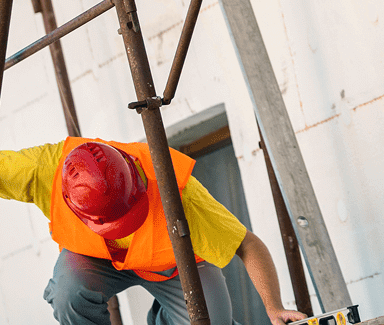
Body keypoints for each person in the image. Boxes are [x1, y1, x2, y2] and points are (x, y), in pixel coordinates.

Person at [0, 136, 307, 324]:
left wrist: (274, 307)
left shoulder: (178, 193)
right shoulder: (43, 169)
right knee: (68, 293)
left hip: (173, 269)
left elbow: (248, 246)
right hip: (94, 259)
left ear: (136, 180)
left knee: (211, 321)